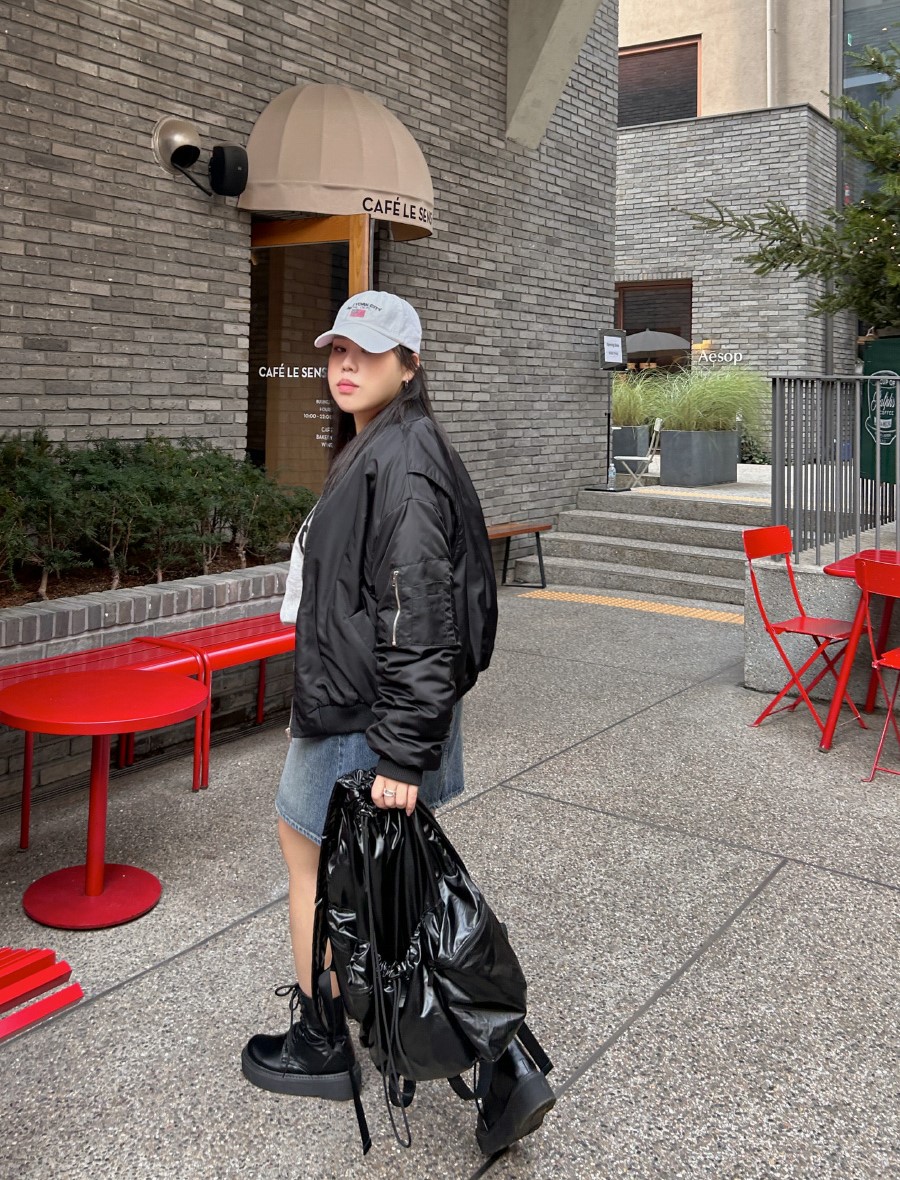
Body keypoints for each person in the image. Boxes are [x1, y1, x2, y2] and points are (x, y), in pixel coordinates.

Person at [241, 291, 554, 1154]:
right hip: (374, 704)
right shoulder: (387, 442)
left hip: (369, 712)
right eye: (338, 350)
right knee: (390, 885)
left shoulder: (403, 456)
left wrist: (404, 753)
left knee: (324, 865)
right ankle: (505, 1059)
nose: (346, 366)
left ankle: (323, 1040)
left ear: (409, 366)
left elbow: (419, 609)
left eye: (369, 353)